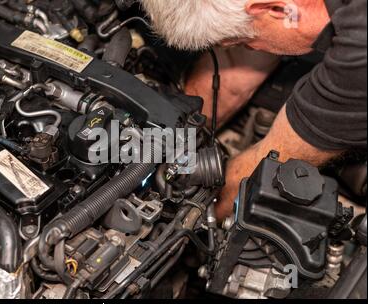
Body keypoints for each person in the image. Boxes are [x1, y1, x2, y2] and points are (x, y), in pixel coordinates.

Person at [140, 0, 367, 219]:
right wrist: (176, 139)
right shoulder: (288, 9)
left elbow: (269, 165)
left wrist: (191, 216)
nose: (247, 48)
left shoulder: (358, 54)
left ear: (278, 9)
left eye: (242, 41)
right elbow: (233, 78)